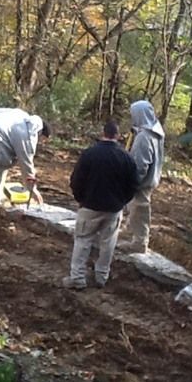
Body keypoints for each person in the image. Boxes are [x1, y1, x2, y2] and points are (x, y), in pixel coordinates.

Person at [62, 120, 138, 290]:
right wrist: (121, 202)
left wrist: (81, 199)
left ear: (103, 133)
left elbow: (76, 180)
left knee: (82, 241)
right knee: (108, 243)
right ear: (118, 136)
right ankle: (101, 277)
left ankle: (77, 278)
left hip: (89, 206)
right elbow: (133, 185)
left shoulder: (89, 154)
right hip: (113, 209)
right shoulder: (126, 158)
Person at [118, 100, 165, 254]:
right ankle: (129, 232)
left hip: (141, 182)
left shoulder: (145, 137)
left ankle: (140, 242)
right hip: (149, 179)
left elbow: (140, 163)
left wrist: (131, 181)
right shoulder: (155, 133)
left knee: (140, 209)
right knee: (134, 208)